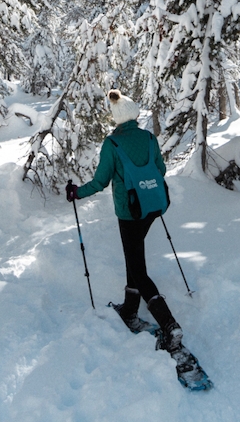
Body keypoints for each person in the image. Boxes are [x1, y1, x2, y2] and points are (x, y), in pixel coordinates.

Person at [65, 88, 182, 352]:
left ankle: (169, 325)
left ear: (117, 117)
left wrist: (76, 192)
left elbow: (100, 182)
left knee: (138, 271)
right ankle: (130, 309)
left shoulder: (112, 143)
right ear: (135, 113)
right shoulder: (150, 139)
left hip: (129, 213)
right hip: (154, 207)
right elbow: (160, 170)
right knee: (134, 258)